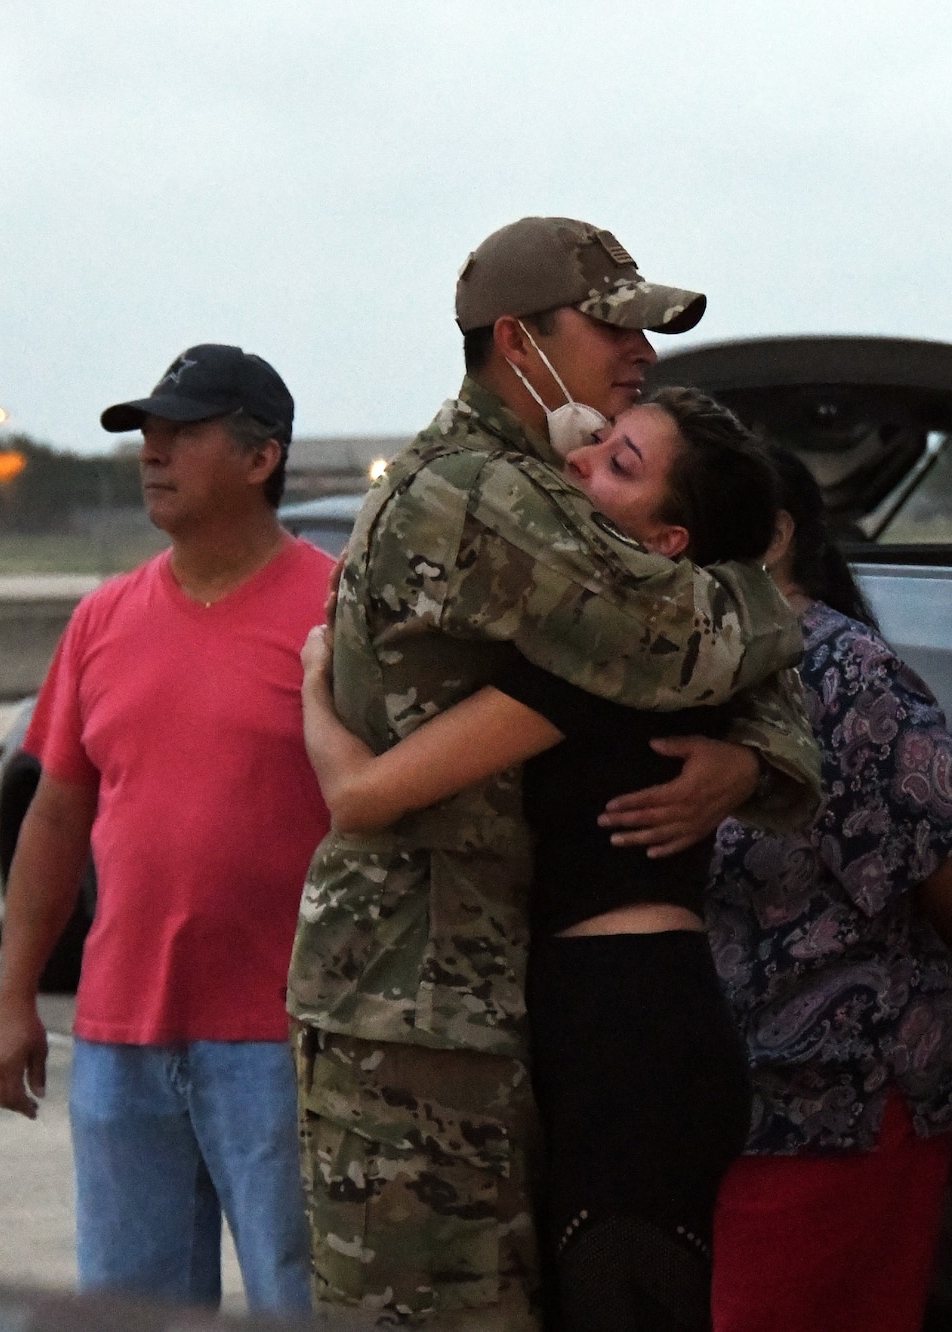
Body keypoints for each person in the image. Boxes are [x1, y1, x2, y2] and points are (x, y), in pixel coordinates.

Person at [286, 216, 821, 1331]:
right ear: (516, 339)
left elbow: (679, 652)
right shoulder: (482, 490)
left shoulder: (542, 483)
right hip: (416, 1002)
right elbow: (678, 637)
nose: (640, 352)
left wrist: (747, 755)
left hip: (477, 985)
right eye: (612, 325)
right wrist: (778, 586)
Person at [0, 345, 331, 1316]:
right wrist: (14, 999)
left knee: (302, 1302)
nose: (153, 452)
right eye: (147, 434)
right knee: (128, 1311)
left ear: (261, 459)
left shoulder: (337, 614)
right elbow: (54, 820)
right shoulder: (103, 620)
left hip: (288, 1041)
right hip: (123, 1039)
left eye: (182, 432)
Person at [705, 447, 952, 1332]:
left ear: (772, 539)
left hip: (835, 1102)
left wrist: (945, 1006)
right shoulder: (691, 670)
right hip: (733, 1103)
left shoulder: (840, 675)